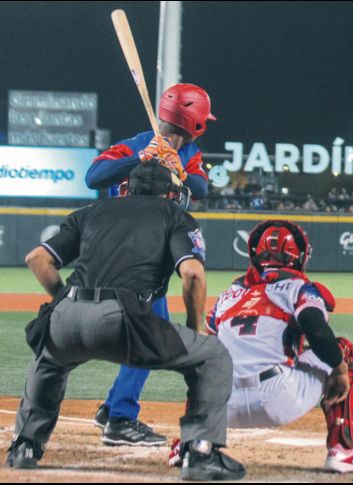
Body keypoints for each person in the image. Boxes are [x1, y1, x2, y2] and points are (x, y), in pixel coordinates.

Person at [6, 161, 245, 481]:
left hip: (68, 314)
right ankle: (200, 453)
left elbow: (38, 259)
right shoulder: (174, 215)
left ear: (125, 188)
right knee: (213, 355)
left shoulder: (91, 211)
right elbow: (192, 274)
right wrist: (195, 326)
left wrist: (64, 300)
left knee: (48, 360)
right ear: (171, 193)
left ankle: (25, 445)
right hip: (123, 319)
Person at [168, 220, 353, 474]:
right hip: (277, 398)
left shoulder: (229, 295)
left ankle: (190, 445)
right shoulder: (298, 287)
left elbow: (205, 350)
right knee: (343, 350)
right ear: (299, 257)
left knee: (205, 364)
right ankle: (342, 450)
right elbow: (316, 328)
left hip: (223, 406)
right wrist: (339, 368)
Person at [84, 83, 215, 446]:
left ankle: (112, 409)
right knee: (151, 333)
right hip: (127, 249)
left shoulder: (188, 151)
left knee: (150, 327)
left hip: (149, 250)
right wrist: (140, 158)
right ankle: (121, 418)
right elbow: (93, 177)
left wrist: (178, 168)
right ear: (197, 120)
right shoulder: (135, 143)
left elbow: (202, 189)